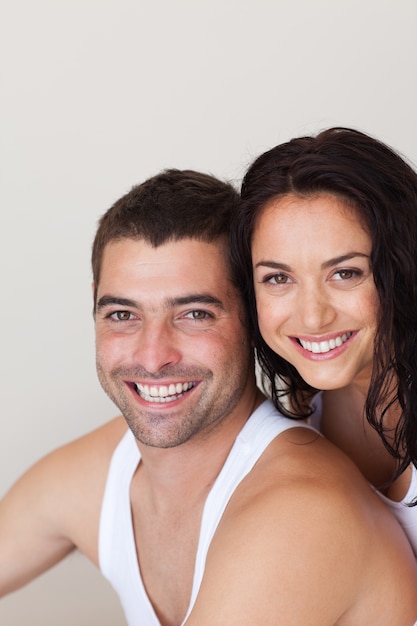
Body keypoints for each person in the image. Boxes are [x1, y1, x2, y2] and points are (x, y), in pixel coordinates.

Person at [1, 168, 417, 626]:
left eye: (195, 313)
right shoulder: (103, 470)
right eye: (122, 314)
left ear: (252, 321)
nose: (153, 356)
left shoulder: (303, 513)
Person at [231, 126, 417, 556]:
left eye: (345, 273)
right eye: (278, 278)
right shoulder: (277, 430)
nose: (313, 316)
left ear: (404, 269)